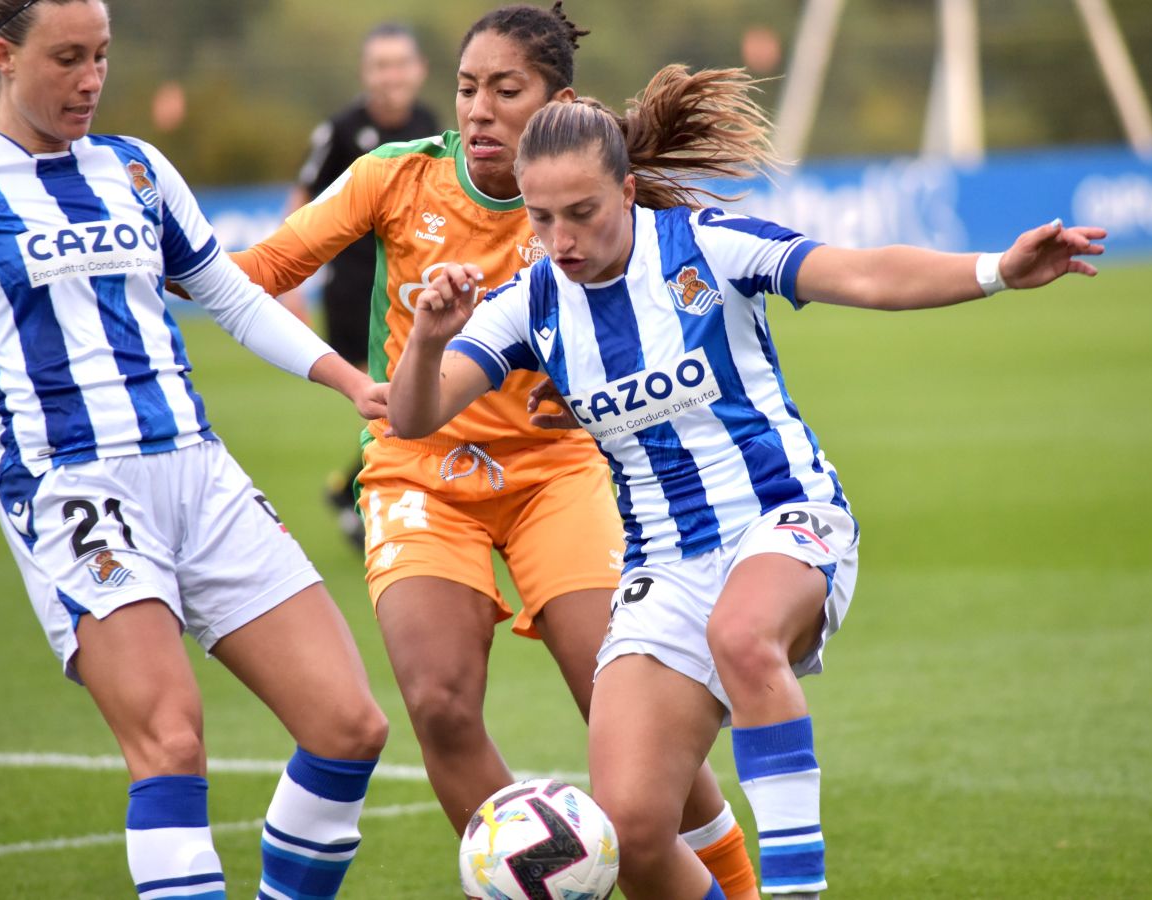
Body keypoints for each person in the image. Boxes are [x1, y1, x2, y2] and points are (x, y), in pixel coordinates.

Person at [385, 67, 1107, 899]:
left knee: (742, 636)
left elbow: (865, 275)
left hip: (785, 521)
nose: (563, 238)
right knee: (635, 832)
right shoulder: (530, 302)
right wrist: (430, 340)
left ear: (626, 191)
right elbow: (414, 417)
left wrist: (995, 271)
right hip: (664, 568)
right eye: (542, 219)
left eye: (583, 213)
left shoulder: (707, 246)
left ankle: (799, 887)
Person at [232, 4, 759, 896]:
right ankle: (544, 883)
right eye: (468, 87)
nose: (478, 108)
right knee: (437, 704)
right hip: (418, 474)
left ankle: (729, 891)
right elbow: (246, 276)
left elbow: (682, 321)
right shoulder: (394, 177)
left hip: (559, 475)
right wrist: (336, 374)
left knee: (621, 704)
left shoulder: (603, 197)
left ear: (560, 102)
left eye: (505, 90)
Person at [0, 2, 392, 898]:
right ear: (3, 55)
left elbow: (228, 295)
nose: (91, 79)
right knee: (172, 740)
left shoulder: (136, 168)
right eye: (67, 58)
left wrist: (350, 381)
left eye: (103, 56)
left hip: (197, 466)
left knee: (348, 725)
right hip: (73, 484)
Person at [279, 23, 440, 548]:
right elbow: (303, 196)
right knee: (398, 396)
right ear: (365, 74)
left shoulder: (430, 123)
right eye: (380, 65)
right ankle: (365, 493)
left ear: (418, 72)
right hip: (355, 293)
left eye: (399, 64)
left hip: (415, 286)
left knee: (411, 396)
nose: (390, 76)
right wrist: (290, 281)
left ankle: (350, 489)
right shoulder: (342, 129)